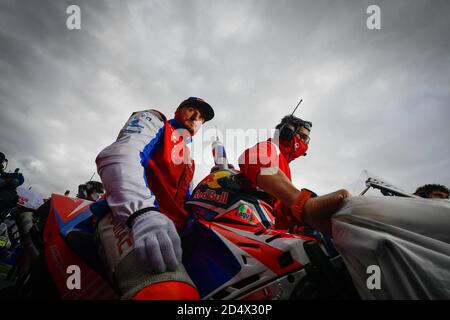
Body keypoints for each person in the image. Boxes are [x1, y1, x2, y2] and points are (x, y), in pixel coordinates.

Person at [95, 97, 214, 300]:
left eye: (201, 117)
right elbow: (120, 154)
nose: (195, 117)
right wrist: (142, 213)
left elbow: (186, 203)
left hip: (170, 233)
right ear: (178, 110)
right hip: (128, 219)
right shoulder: (155, 121)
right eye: (192, 110)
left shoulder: (189, 160)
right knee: (170, 294)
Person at [239, 115, 350, 236]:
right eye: (302, 136)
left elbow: (281, 208)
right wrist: (303, 204)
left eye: (306, 140)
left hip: (276, 231)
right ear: (287, 132)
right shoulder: (270, 147)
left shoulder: (284, 166)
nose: (303, 143)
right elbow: (254, 160)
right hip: (254, 225)